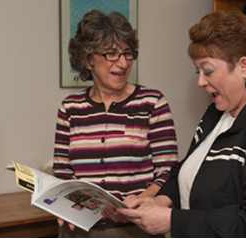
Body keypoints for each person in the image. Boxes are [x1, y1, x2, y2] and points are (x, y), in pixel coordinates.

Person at [118, 10, 246, 237]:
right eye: (198, 71)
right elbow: (188, 169)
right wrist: (161, 200)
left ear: (244, 66)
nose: (201, 82)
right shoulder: (217, 111)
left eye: (208, 71)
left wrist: (174, 221)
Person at [52, 9, 178, 238]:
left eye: (127, 53)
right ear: (87, 59)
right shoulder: (69, 108)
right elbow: (62, 174)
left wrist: (142, 200)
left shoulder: (152, 103)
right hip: (79, 230)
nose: (123, 63)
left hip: (134, 229)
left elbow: (168, 174)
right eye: (111, 54)